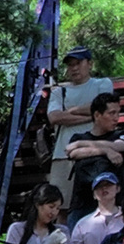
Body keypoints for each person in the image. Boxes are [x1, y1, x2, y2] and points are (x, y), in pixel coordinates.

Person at [46, 46, 112, 199]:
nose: (74, 68)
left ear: (90, 64)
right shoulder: (59, 92)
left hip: (97, 151)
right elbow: (54, 117)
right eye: (70, 65)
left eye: (78, 63)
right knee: (59, 202)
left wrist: (71, 111)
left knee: (99, 201)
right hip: (63, 154)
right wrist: (91, 117)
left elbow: (104, 106)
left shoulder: (102, 84)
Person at [65, 95, 124, 226]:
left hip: (114, 207)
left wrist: (81, 144)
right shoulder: (78, 137)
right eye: (111, 113)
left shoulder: (120, 135)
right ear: (97, 115)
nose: (116, 118)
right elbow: (73, 153)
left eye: (118, 113)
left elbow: (120, 146)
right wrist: (105, 151)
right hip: (82, 206)